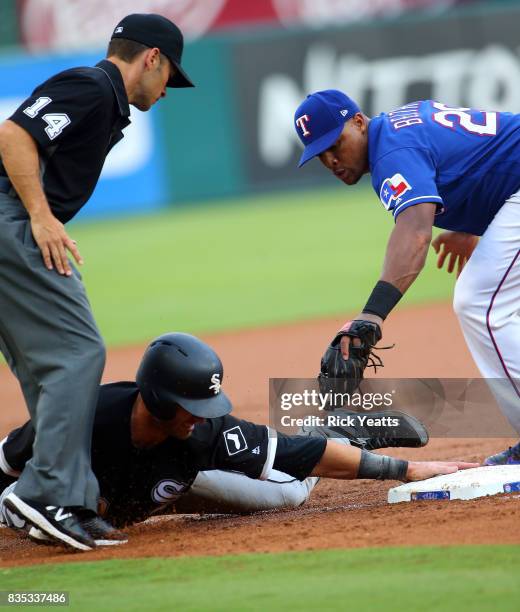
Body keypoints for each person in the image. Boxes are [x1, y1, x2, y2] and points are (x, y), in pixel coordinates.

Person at [0, 13, 195, 551]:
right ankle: (47, 495)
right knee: (79, 351)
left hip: (11, 224)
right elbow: (14, 133)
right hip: (10, 221)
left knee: (49, 367)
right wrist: (39, 215)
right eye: (169, 75)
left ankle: (65, 500)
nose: (168, 90)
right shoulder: (90, 85)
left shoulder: (105, 102)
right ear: (151, 58)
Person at [0, 333, 477, 546]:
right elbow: (9, 461)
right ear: (157, 400)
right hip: (141, 488)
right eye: (192, 406)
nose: (203, 417)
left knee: (289, 494)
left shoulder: (202, 433)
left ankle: (344, 427)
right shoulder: (77, 419)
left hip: (174, 483)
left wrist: (410, 471)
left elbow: (298, 454)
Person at [293, 90, 520, 466]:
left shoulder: (389, 153)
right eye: (320, 153)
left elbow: (415, 233)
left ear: (358, 122)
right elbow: (481, 152)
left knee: (480, 303)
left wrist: (372, 316)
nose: (331, 159)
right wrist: (474, 220)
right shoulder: (400, 127)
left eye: (335, 143)